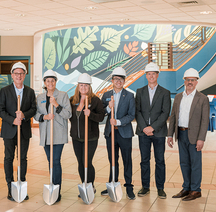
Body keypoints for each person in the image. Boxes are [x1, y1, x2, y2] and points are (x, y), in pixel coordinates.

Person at [167, 68, 210, 201]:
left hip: (195, 136)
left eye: (193, 80)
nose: (190, 82)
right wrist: (170, 135)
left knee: (195, 163)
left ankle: (196, 190)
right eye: (187, 80)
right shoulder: (179, 97)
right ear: (184, 81)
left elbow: (205, 120)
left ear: (197, 82)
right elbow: (173, 116)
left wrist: (201, 139)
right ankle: (186, 188)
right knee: (184, 162)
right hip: (181, 134)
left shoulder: (202, 98)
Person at [0, 62, 37, 201]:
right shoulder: (5, 91)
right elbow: (0, 110)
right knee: (8, 158)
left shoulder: (30, 92)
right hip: (9, 131)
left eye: (21, 73)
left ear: (25, 75)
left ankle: (21, 185)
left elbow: (34, 109)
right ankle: (10, 186)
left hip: (24, 131)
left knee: (22, 159)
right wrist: (13, 119)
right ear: (12, 75)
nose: (18, 76)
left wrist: (24, 115)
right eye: (16, 73)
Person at [34, 70, 72, 203]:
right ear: (44, 83)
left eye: (53, 80)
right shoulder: (40, 97)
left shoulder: (63, 95)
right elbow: (36, 114)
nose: (50, 83)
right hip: (45, 134)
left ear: (56, 82)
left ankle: (57, 189)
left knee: (55, 161)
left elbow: (68, 114)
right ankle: (52, 185)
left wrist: (56, 104)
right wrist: (44, 116)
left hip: (58, 134)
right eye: (48, 81)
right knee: (50, 161)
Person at [135, 63, 171, 199]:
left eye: (154, 73)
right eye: (149, 74)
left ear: (157, 75)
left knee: (160, 160)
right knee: (144, 160)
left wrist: (153, 127)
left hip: (159, 132)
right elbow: (137, 111)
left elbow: (165, 112)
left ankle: (160, 188)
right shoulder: (140, 91)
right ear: (146, 75)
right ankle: (145, 187)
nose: (151, 76)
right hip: (143, 132)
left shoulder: (165, 92)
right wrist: (145, 127)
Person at [100, 67, 136, 200]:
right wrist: (108, 108)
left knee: (127, 160)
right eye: (116, 79)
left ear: (124, 81)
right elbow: (102, 112)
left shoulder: (130, 96)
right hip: (110, 134)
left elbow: (131, 115)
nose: (118, 81)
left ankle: (129, 187)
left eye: (121, 79)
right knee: (112, 160)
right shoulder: (106, 95)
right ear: (112, 80)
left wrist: (119, 122)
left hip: (124, 133)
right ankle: (112, 184)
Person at [69, 73, 105, 198]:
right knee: (80, 162)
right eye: (81, 85)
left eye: (86, 85)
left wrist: (91, 114)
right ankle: (84, 184)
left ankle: (90, 185)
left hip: (90, 137)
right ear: (78, 86)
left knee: (87, 161)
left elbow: (101, 117)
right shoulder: (72, 101)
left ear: (90, 87)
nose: (83, 87)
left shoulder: (95, 100)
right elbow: (69, 116)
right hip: (76, 138)